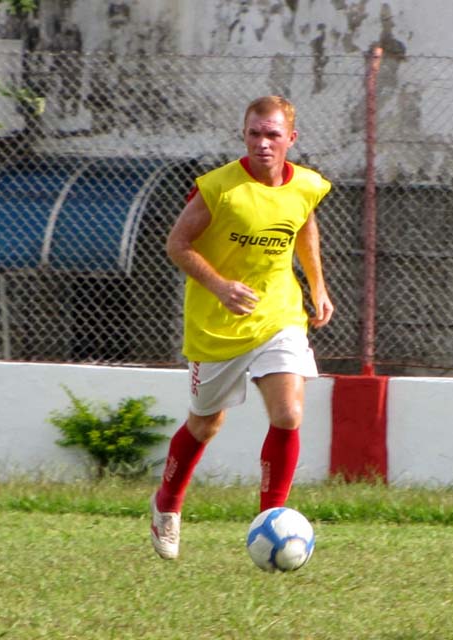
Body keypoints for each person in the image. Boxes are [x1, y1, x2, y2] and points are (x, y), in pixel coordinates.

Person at [150, 95, 334, 560]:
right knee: (206, 424)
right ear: (244, 136)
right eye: (255, 133)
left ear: (291, 138)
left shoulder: (307, 185)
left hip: (279, 313)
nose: (263, 143)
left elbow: (304, 228)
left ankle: (270, 519)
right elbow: (177, 244)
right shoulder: (218, 189)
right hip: (218, 324)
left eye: (273, 134)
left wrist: (317, 286)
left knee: (289, 413)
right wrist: (219, 285)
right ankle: (167, 504)